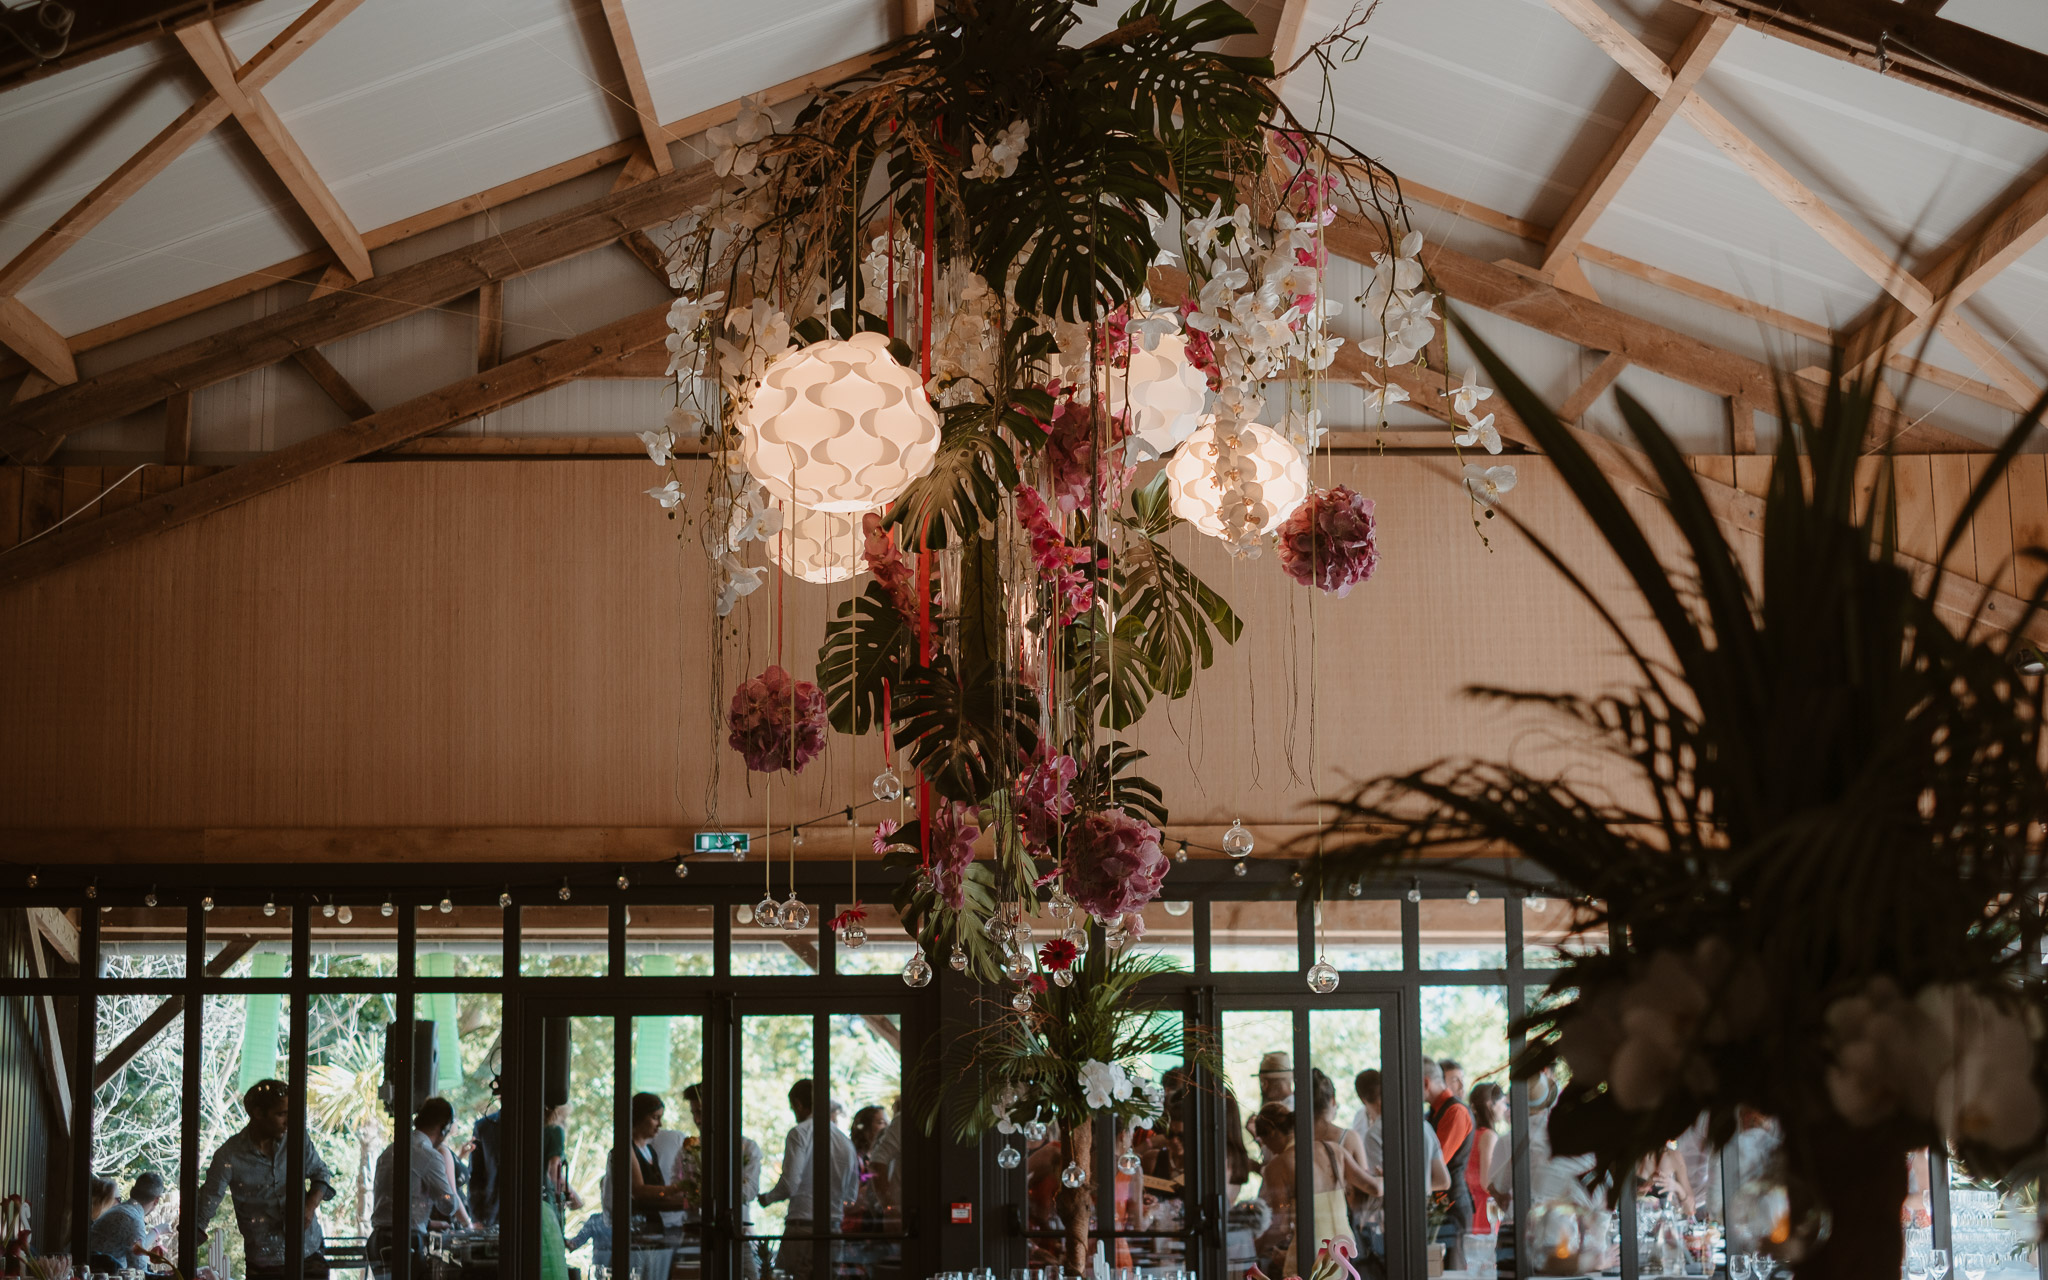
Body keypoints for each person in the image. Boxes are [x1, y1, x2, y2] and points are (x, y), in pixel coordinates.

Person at [198, 1079, 337, 1278]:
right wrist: (193, 1234)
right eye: (281, 1114)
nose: (289, 1121)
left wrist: (310, 1206)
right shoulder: (230, 1155)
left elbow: (321, 1173)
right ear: (258, 1114)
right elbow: (208, 1200)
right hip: (265, 1263)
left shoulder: (297, 1140)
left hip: (308, 1253)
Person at [759, 1079, 857, 1278]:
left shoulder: (800, 1133)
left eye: (793, 1108)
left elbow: (789, 1184)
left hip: (803, 1227)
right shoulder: (845, 1141)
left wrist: (766, 1199)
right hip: (834, 1230)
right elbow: (851, 1194)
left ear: (798, 1103)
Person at [676, 1082, 763, 1280]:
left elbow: (748, 1192)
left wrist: (704, 1192)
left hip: (734, 1234)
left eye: (701, 1112)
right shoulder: (687, 1150)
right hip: (693, 1236)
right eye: (693, 1113)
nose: (697, 1120)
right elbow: (679, 1189)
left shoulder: (748, 1148)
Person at [370, 1097, 461, 1277]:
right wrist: (451, 1194)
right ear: (443, 1128)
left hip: (378, 1241)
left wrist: (428, 1222)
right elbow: (448, 1205)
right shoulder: (429, 1155)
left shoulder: (391, 1150)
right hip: (406, 1243)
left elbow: (391, 1206)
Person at [619, 1093, 689, 1280]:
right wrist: (678, 1190)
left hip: (654, 1230)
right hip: (638, 1231)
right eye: (655, 1118)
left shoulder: (650, 1151)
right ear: (639, 1117)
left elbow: (658, 1196)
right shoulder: (626, 1149)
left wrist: (687, 1202)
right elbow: (639, 1191)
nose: (660, 1124)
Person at [1424, 1057, 1474, 1270]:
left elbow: (1436, 1162)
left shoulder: (1455, 1111)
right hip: (1440, 1206)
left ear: (1425, 1083)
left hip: (1452, 1207)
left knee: (1452, 1271)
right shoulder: (1432, 1112)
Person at [89, 1172, 164, 1268]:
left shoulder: (118, 1210)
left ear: (132, 1190)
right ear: (156, 1200)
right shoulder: (133, 1219)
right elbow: (139, 1269)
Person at [1466, 1083, 1506, 1237]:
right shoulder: (1488, 1136)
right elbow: (1487, 1182)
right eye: (1502, 1103)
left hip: (1474, 1205)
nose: (1505, 1108)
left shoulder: (1473, 1134)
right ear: (1491, 1104)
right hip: (1485, 1208)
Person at [468, 1102, 502, 1228]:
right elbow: (475, 1174)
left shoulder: (542, 1124)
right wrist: (476, 1218)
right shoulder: (483, 1127)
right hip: (492, 1212)